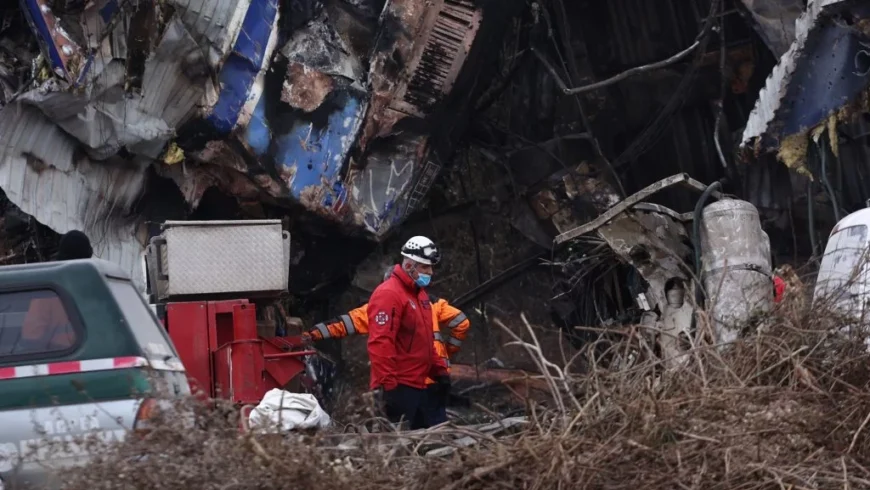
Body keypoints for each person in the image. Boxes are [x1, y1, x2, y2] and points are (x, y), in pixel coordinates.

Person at [305, 267, 470, 424]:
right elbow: (461, 322)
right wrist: (448, 352)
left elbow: (343, 324)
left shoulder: (382, 306)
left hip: (405, 382)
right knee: (435, 428)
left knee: (402, 431)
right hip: (435, 377)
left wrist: (311, 334)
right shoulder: (430, 303)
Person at [366, 236, 449, 429]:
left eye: (430, 268)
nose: (430, 272)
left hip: (420, 385)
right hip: (399, 387)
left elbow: (426, 340)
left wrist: (440, 372)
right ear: (409, 265)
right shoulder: (389, 294)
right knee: (397, 448)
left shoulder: (420, 295)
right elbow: (380, 342)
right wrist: (389, 387)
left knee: (435, 441)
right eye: (425, 268)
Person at [20, 230, 93, 352]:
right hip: (94, 358)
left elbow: (31, 337)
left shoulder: (49, 288)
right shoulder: (96, 287)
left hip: (58, 359)